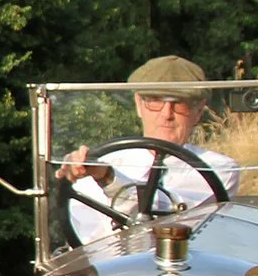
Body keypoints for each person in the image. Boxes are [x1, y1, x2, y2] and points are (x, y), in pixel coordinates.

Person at [57, 54, 243, 245]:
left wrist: (108, 179)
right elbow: (88, 242)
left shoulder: (217, 169)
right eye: (155, 101)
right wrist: (84, 168)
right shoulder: (101, 162)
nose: (166, 114)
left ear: (198, 111)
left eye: (179, 104)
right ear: (139, 105)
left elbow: (165, 218)